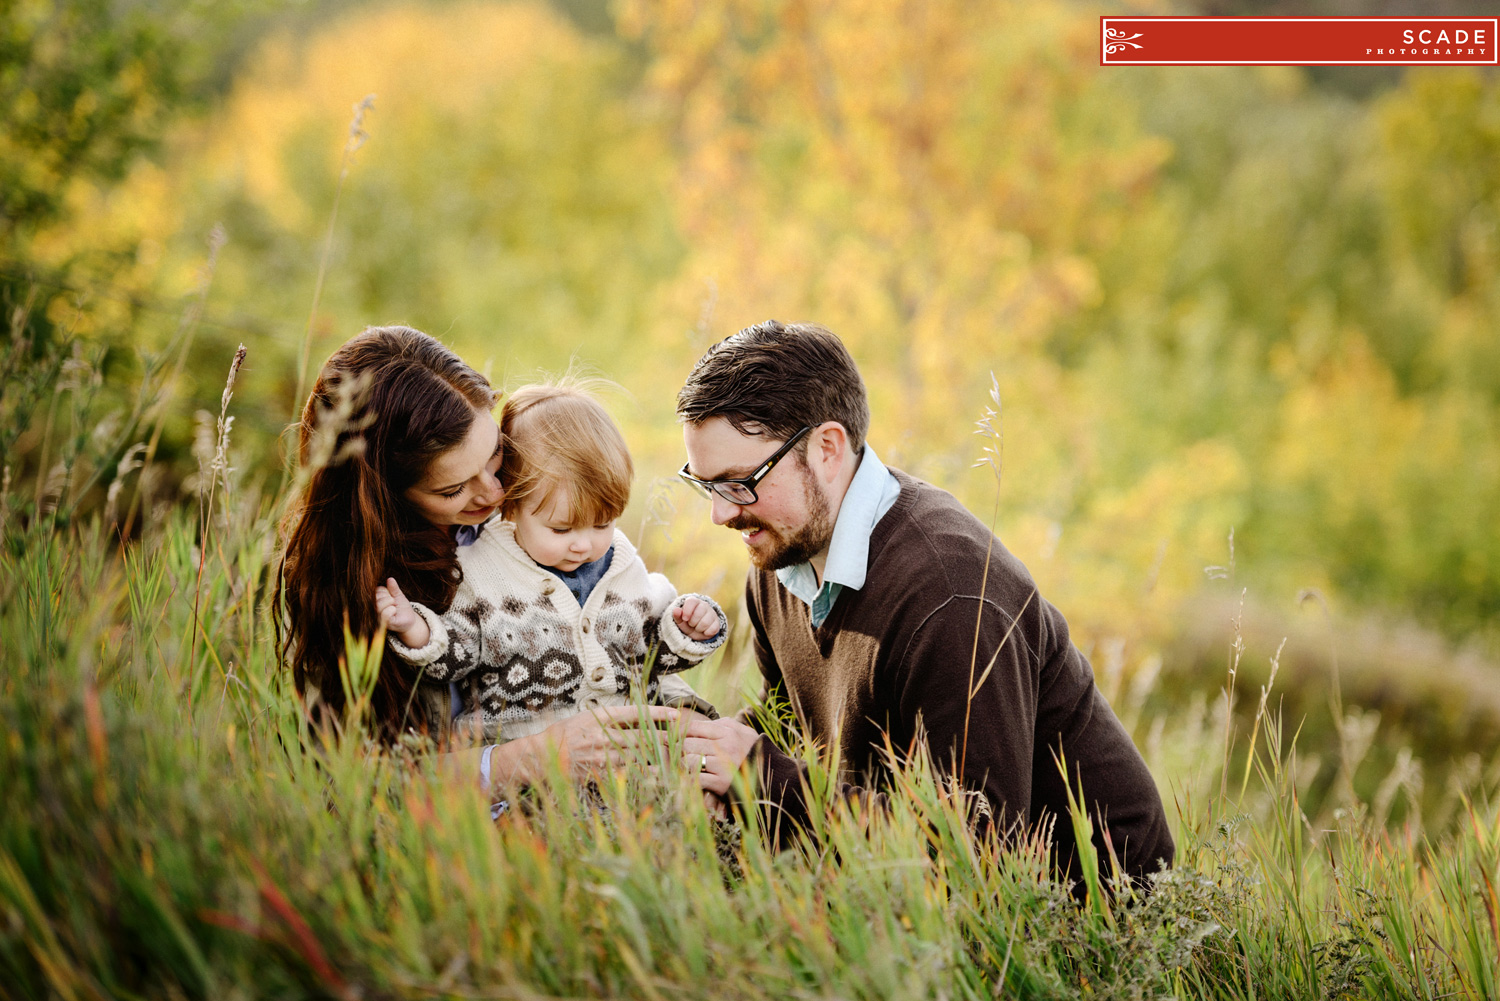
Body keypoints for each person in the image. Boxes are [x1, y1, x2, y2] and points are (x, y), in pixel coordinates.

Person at [673, 320, 1175, 884]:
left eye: (741, 482)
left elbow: (979, 849)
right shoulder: (779, 557)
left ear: (828, 449)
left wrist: (767, 782)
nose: (721, 513)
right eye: (706, 485)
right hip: (902, 898)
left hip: (1085, 922)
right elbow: (795, 729)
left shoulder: (951, 594)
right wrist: (701, 755)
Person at [276, 326, 699, 794]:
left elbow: (637, 654)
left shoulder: (541, 527)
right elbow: (358, 785)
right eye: (453, 489)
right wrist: (531, 758)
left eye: (497, 455)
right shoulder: (354, 591)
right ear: (383, 498)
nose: (497, 493)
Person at [373, 380, 728, 747]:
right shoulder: (480, 572)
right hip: (523, 766)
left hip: (622, 765)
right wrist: (416, 628)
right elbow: (454, 656)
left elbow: (654, 655)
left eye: (602, 524)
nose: (583, 544)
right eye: (561, 529)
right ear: (511, 506)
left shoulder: (622, 567)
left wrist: (688, 628)